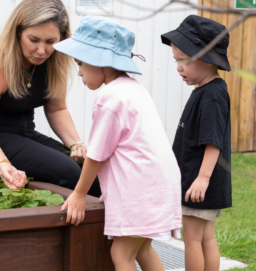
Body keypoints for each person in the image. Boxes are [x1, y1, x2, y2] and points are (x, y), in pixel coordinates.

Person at [55, 16, 182, 271]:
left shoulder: (109, 98)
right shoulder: (134, 90)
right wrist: (114, 188)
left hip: (142, 191)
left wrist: (79, 194)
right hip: (159, 186)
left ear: (99, 61)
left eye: (80, 63)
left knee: (121, 255)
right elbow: (129, 147)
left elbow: (98, 154)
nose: (78, 71)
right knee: (144, 249)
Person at [0, 0, 101, 196]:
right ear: (18, 32)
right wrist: (2, 164)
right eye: (34, 40)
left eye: (50, 41)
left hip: (22, 136)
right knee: (69, 172)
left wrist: (77, 145)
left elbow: (57, 109)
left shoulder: (55, 60)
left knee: (91, 171)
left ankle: (112, 226)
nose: (41, 50)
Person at [161, 15, 232, 271]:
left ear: (206, 59)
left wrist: (202, 178)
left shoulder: (212, 95)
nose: (178, 67)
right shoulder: (208, 90)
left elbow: (213, 142)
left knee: (193, 240)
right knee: (205, 237)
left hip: (199, 183)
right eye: (176, 60)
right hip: (201, 183)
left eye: (183, 60)